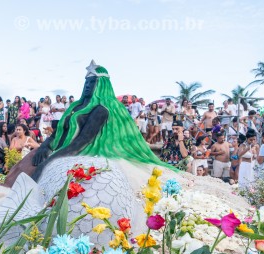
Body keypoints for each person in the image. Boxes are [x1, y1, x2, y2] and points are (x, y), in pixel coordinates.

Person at [32, 62, 168, 181]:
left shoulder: (101, 110)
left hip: (74, 154)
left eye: (92, 82)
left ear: (102, 85)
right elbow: (57, 133)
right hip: (56, 150)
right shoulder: (74, 106)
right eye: (86, 82)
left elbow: (81, 142)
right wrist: (44, 146)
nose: (87, 86)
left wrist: (48, 162)